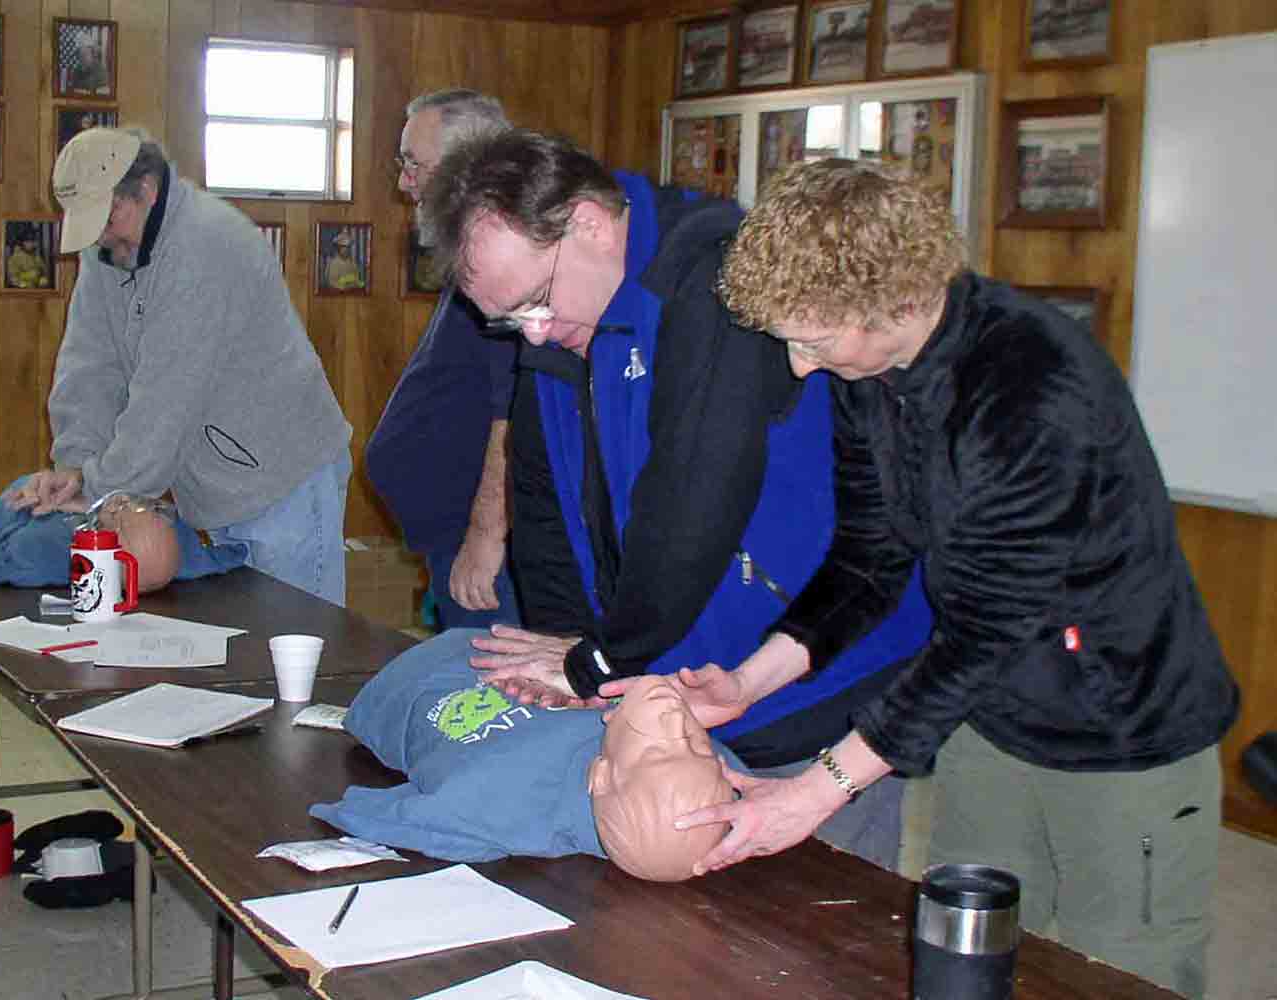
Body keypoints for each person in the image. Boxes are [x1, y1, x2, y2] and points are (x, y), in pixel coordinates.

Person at [647, 158, 1238, 998]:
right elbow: (867, 556)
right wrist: (749, 679)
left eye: (813, 339)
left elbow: (987, 626)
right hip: (987, 714)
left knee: (1120, 970)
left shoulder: (1031, 384)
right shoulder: (870, 375)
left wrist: (811, 794)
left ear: (894, 299)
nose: (801, 367)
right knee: (970, 954)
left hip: (1120, 722)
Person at [418, 130, 932, 871]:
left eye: (534, 302)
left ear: (590, 224)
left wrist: (599, 659)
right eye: (506, 320)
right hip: (682, 688)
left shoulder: (714, 276)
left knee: (809, 943)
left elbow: (694, 499)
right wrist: (568, 643)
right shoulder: (561, 313)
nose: (532, 332)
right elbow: (543, 496)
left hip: (808, 681)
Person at [8, 127, 352, 606]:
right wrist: (74, 463)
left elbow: (166, 398)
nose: (102, 237)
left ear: (146, 189)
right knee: (239, 654)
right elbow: (88, 363)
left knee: (298, 648)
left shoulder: (207, 245)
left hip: (284, 478)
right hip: (211, 480)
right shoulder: (108, 247)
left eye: (108, 217)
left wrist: (99, 491)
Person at [311, 628, 737, 881]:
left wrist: (342, 812)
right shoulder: (702, 783)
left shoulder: (496, 802)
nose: (675, 721)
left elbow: (396, 817)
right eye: (699, 744)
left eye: (660, 750)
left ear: (600, 776)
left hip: (409, 681)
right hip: (519, 649)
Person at [363, 89, 521, 629]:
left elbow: (512, 413)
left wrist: (484, 536)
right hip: (448, 538)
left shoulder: (509, 263)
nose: (403, 182)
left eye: (413, 163)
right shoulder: (471, 256)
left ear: (469, 166)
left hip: (484, 551)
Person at [0, 475, 247, 592]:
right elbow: (227, 557)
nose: (124, 501)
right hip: (38, 496)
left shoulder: (182, 552)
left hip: (36, 500)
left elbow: (221, 558)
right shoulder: (42, 555)